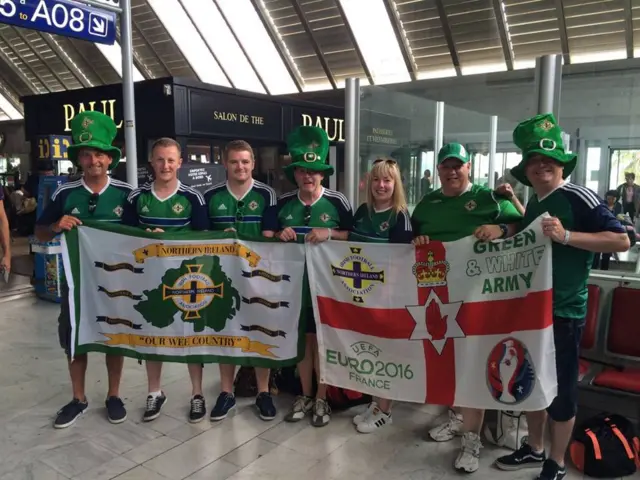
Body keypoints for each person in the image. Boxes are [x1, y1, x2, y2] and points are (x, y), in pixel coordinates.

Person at [494, 114, 629, 480]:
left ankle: (556, 462)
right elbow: (530, 232)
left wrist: (567, 236)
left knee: (562, 390)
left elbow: (622, 240)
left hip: (565, 312)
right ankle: (535, 449)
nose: (542, 166)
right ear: (527, 168)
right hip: (532, 309)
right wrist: (506, 228)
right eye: (535, 160)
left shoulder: (578, 196)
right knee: (531, 382)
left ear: (561, 163)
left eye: (549, 160)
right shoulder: (536, 201)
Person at [411, 142, 523, 473]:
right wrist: (415, 242)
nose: (452, 171)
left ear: (469, 167)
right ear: (440, 170)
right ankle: (457, 418)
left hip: (479, 296)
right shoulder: (427, 205)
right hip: (438, 294)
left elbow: (526, 225)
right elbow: (414, 237)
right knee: (450, 360)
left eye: (458, 165)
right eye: (446, 165)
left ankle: (472, 441)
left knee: (474, 364)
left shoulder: (490, 199)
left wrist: (500, 227)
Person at [35, 111, 133, 428]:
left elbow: (140, 237)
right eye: (87, 154)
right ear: (79, 158)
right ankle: (78, 398)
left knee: (112, 337)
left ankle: (114, 395)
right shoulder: (65, 194)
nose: (94, 160)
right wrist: (55, 224)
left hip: (115, 282)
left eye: (100, 154)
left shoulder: (125, 194)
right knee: (75, 337)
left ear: (110, 158)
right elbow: (38, 232)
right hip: (76, 284)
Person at [264, 126, 353, 427]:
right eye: (302, 170)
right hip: (294, 288)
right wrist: (279, 233)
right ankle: (304, 394)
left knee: (324, 341)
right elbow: (267, 239)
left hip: (328, 286)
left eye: (314, 171)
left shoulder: (338, 202)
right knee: (304, 341)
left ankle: (323, 397)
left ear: (323, 174)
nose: (308, 176)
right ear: (295, 173)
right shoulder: (283, 203)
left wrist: (331, 233)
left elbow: (354, 237)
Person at [121, 138, 209, 423]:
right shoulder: (136, 198)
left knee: (191, 336)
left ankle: (197, 394)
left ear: (180, 162)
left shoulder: (193, 198)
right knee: (153, 336)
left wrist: (172, 240)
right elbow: (123, 239)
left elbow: (206, 242)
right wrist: (146, 236)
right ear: (152, 163)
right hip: (148, 280)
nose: (165, 165)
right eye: (160, 160)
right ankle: (155, 392)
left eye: (171, 160)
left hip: (186, 281)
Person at [203, 140, 278, 422]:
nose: (240, 167)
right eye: (234, 161)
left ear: (253, 164)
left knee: (259, 333)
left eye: (245, 161)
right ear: (225, 163)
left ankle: (263, 392)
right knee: (227, 333)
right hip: (221, 278)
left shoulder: (267, 195)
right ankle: (226, 392)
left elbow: (270, 238)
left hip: (258, 278)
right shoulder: (210, 196)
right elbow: (202, 238)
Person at [349, 158, 412, 433]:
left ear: (396, 184)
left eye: (387, 180)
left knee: (385, 353)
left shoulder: (400, 216)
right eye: (376, 179)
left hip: (387, 300)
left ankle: (385, 409)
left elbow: (402, 263)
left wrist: (386, 298)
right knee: (371, 352)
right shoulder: (363, 210)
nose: (381, 185)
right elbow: (349, 245)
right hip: (362, 296)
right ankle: (375, 403)